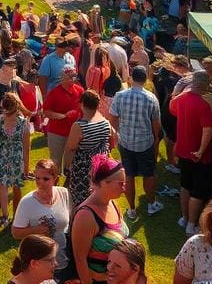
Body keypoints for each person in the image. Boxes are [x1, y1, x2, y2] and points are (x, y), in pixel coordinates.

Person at [108, 65, 163, 220]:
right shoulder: (151, 98)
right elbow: (156, 123)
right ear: (145, 80)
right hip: (145, 142)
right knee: (149, 174)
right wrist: (156, 139)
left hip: (125, 142)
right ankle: (151, 204)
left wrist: (117, 134)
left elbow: (113, 118)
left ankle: (131, 209)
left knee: (129, 175)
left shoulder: (120, 95)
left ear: (132, 78)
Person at [69, 155, 129, 284]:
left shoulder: (113, 204)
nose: (124, 188)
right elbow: (80, 259)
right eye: (120, 184)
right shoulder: (86, 216)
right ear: (103, 182)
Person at [170, 70, 212, 235]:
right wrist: (201, 151)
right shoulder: (204, 105)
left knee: (185, 185)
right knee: (198, 189)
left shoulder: (181, 99)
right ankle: (191, 224)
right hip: (198, 155)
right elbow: (208, 130)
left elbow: (172, 107)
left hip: (183, 150)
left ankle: (184, 217)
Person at [12, 158, 71, 278]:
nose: (40, 182)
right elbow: (16, 233)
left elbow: (71, 220)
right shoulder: (27, 202)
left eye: (46, 179)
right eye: (37, 178)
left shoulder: (64, 193)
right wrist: (36, 230)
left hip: (63, 259)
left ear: (55, 178)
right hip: (40, 265)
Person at [63, 90, 116, 210]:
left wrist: (66, 167)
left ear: (82, 104)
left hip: (83, 169)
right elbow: (112, 143)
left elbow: (71, 147)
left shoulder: (79, 126)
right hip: (102, 166)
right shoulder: (106, 123)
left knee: (81, 200)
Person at [0, 92, 28, 228]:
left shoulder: (0, 120)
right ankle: (13, 216)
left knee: (5, 186)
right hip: (14, 157)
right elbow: (26, 147)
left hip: (3, 155)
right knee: (13, 186)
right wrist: (26, 168)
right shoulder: (22, 123)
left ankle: (7, 216)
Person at [43, 66, 84, 168]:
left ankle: (68, 177)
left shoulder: (80, 91)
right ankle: (54, 177)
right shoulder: (54, 92)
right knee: (55, 162)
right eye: (70, 77)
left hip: (74, 132)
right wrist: (62, 116)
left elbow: (84, 109)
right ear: (62, 78)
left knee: (72, 162)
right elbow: (46, 111)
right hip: (56, 133)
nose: (72, 79)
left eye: (74, 76)